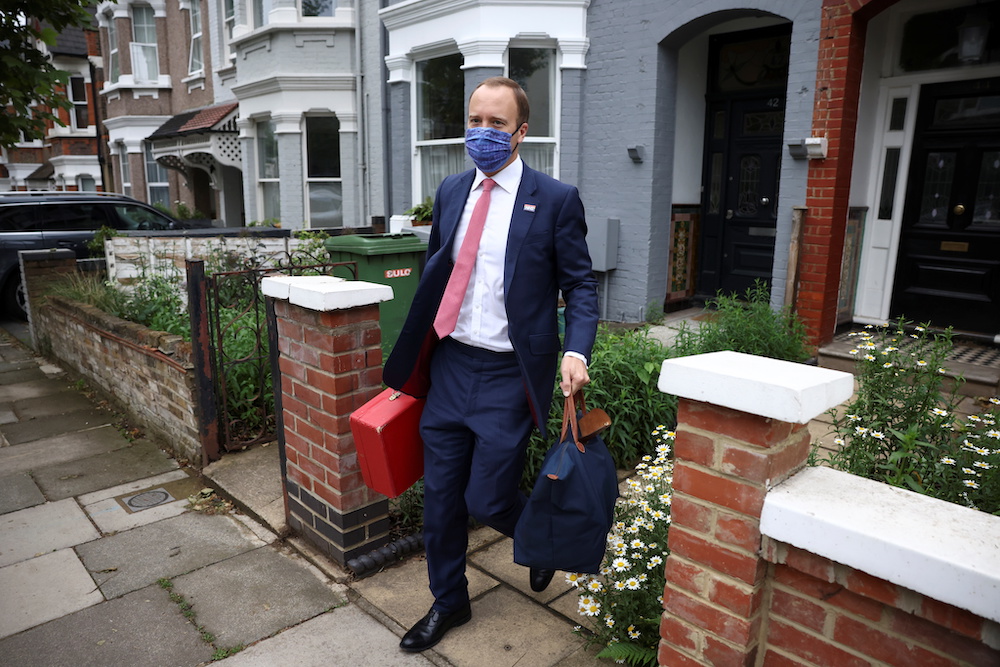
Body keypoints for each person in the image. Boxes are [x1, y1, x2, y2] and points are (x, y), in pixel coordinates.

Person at [383, 76, 599, 653]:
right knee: (441, 500)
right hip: (451, 365)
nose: (482, 132)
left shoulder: (555, 199)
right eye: (474, 120)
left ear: (521, 132)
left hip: (508, 374)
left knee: (488, 500)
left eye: (496, 123)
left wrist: (576, 350)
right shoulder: (452, 189)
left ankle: (538, 536)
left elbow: (580, 285)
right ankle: (449, 600)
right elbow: (438, 267)